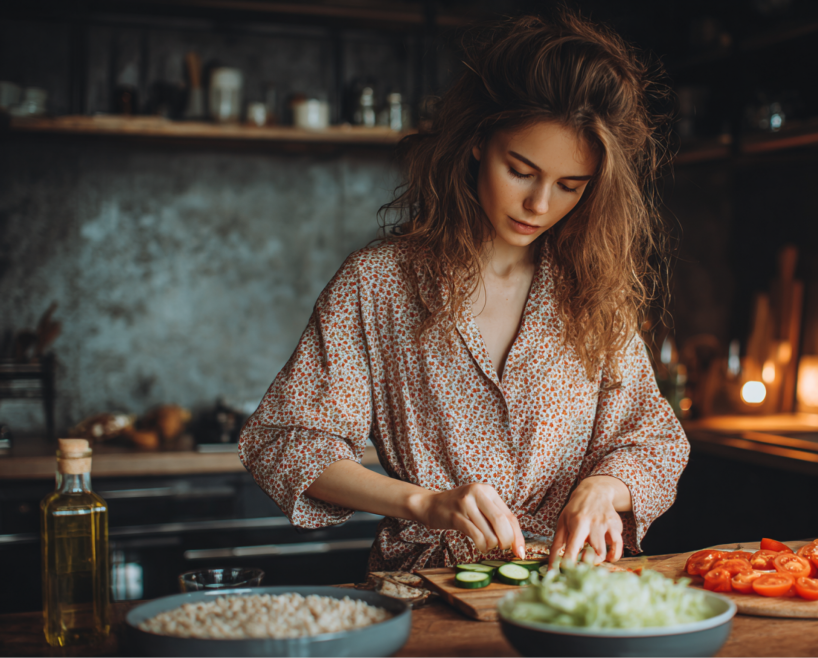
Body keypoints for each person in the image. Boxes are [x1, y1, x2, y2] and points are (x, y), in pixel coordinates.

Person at [239, 10, 689, 573]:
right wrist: (425, 503)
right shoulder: (377, 283)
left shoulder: (591, 291)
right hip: (427, 586)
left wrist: (605, 486)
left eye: (570, 186)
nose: (540, 205)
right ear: (478, 143)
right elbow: (285, 439)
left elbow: (653, 440)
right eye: (521, 170)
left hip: (567, 589)